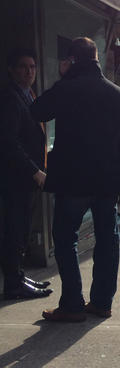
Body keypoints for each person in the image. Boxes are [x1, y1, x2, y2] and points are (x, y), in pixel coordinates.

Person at [31, 37, 120, 322]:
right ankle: (102, 302)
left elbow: (37, 111)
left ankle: (73, 303)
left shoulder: (66, 89)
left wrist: (63, 78)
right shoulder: (118, 94)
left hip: (72, 181)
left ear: (72, 61)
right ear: (96, 59)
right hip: (107, 183)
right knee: (108, 238)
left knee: (65, 239)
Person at [0, 48, 53, 299]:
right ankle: (13, 283)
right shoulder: (10, 98)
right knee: (14, 230)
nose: (29, 71)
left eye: (32, 66)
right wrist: (35, 171)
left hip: (26, 179)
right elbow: (9, 143)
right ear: (11, 69)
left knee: (21, 229)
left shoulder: (28, 95)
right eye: (23, 66)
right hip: (16, 179)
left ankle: (19, 276)